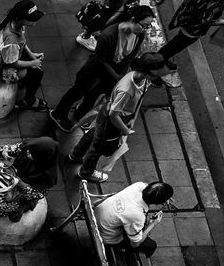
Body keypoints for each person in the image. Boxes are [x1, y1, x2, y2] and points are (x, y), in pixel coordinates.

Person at [67, 53, 175, 183]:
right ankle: (86, 172)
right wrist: (125, 130)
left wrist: (133, 118)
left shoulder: (144, 80)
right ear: (149, 72)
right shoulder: (126, 90)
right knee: (98, 146)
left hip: (119, 116)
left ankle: (76, 155)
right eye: (157, 75)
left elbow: (140, 98)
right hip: (111, 120)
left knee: (94, 134)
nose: (158, 78)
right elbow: (113, 114)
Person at [51, 5, 157, 130]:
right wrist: (117, 77)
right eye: (144, 25)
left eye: (147, 27)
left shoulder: (139, 35)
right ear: (133, 19)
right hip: (94, 70)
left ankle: (80, 113)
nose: (144, 29)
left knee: (95, 95)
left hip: (113, 72)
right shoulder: (108, 35)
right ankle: (58, 114)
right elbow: (101, 60)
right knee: (77, 92)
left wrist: (121, 73)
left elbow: (130, 56)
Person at [0, 0, 47, 110]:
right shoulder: (11, 40)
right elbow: (12, 62)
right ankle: (29, 100)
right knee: (37, 72)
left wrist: (31, 55)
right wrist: (32, 63)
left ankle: (25, 81)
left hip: (0, 56)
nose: (35, 22)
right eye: (31, 19)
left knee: (33, 66)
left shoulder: (11, 21)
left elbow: (21, 44)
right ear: (20, 18)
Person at [94, 180, 172, 258]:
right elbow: (135, 243)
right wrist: (152, 224)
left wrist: (163, 198)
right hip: (105, 235)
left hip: (96, 216)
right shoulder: (137, 216)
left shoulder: (138, 186)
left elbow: (148, 186)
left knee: (133, 224)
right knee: (151, 245)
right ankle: (127, 255)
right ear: (158, 203)